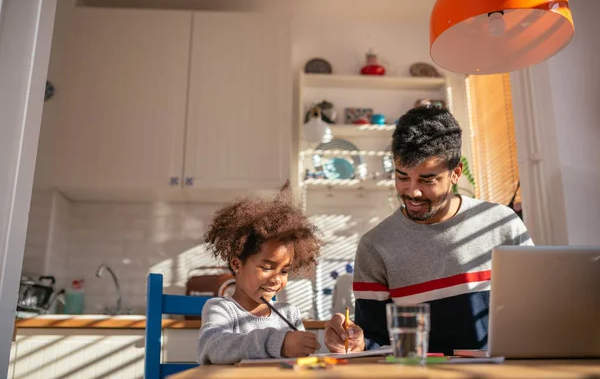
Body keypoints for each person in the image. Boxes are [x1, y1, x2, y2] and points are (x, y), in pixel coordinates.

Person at [324, 106, 533, 356]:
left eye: (427, 180)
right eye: (402, 177)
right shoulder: (375, 246)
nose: (412, 192)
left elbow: (535, 313)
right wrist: (356, 343)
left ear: (455, 174)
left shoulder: (501, 224)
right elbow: (375, 341)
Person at [196, 181, 323, 365]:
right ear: (236, 263)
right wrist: (277, 343)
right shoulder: (221, 309)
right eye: (267, 267)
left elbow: (303, 363)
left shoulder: (289, 314)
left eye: (285, 271)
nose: (276, 279)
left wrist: (332, 348)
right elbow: (212, 347)